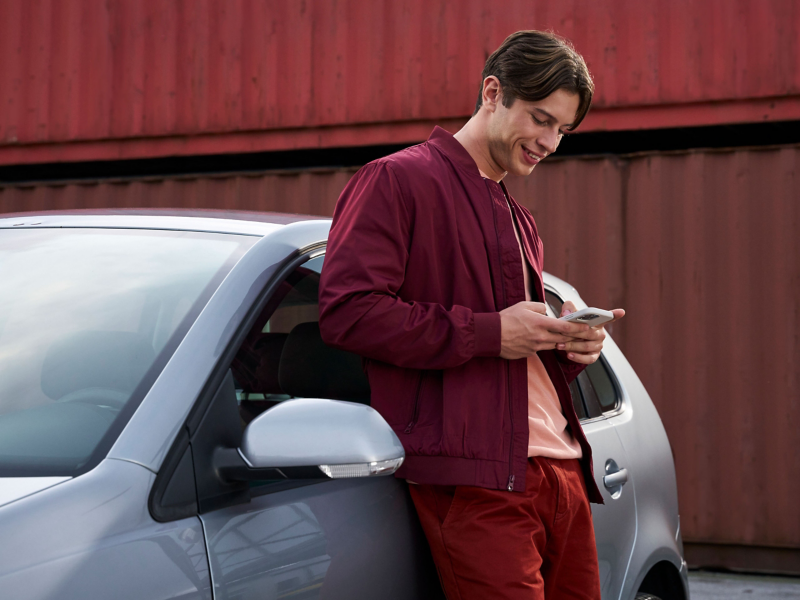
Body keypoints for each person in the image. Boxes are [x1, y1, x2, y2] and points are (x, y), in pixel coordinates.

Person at [318, 30, 625, 600]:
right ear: (492, 92)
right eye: (540, 119)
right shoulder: (396, 179)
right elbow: (347, 313)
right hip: (478, 484)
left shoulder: (520, 216)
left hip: (564, 473)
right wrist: (491, 332)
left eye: (562, 129)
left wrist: (570, 348)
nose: (551, 142)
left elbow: (511, 357)